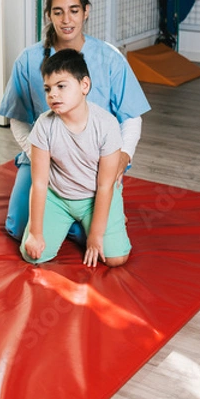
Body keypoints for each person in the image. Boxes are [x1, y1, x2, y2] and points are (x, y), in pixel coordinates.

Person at [0, 0, 150, 243]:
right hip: (44, 157)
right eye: (58, 12)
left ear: (86, 11)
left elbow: (131, 117)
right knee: (19, 228)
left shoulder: (109, 59)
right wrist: (36, 155)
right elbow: (18, 119)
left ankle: (104, 211)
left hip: (92, 161)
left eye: (74, 10)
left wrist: (124, 156)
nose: (66, 20)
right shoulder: (29, 60)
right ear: (48, 15)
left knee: (87, 233)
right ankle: (77, 214)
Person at [20, 49, 131, 267]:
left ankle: (106, 219)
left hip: (93, 197)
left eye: (61, 86)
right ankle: (74, 224)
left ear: (84, 86)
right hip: (58, 196)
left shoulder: (106, 124)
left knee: (116, 259)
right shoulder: (44, 124)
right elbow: (40, 183)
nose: (53, 94)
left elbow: (105, 185)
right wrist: (35, 233)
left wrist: (96, 236)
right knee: (33, 255)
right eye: (48, 89)